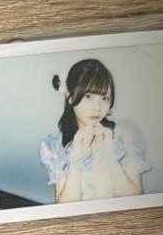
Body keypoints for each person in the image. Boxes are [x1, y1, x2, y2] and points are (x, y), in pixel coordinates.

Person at [38, 58, 150, 203]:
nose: (97, 107)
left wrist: (111, 156)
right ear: (70, 96)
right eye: (88, 96)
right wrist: (76, 159)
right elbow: (66, 205)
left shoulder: (124, 135)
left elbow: (135, 198)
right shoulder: (56, 146)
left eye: (104, 98)